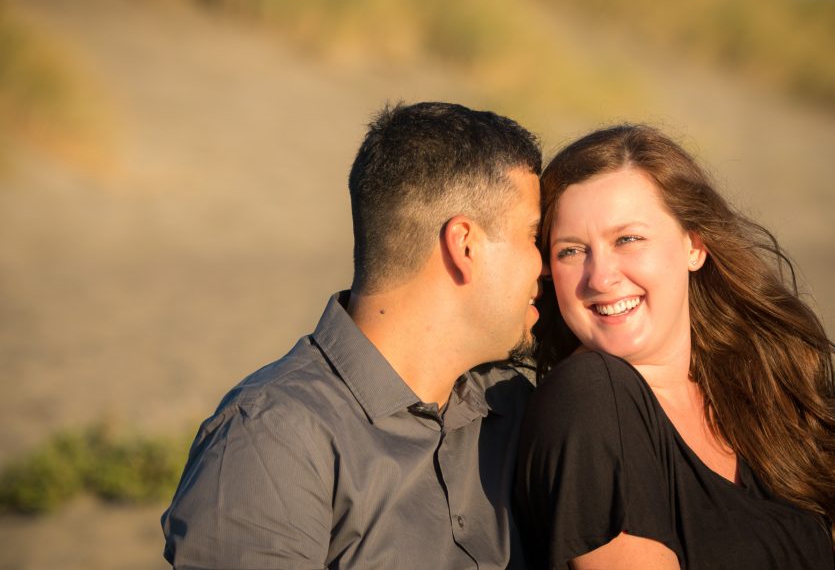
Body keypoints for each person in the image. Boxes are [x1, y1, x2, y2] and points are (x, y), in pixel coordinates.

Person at [161, 101, 543, 569]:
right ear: (464, 245)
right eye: (533, 236)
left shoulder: (513, 405)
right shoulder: (272, 440)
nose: (544, 264)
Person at [515, 124, 835, 569]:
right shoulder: (587, 399)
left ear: (695, 244)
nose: (600, 278)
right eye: (571, 250)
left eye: (627, 239)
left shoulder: (763, 385)